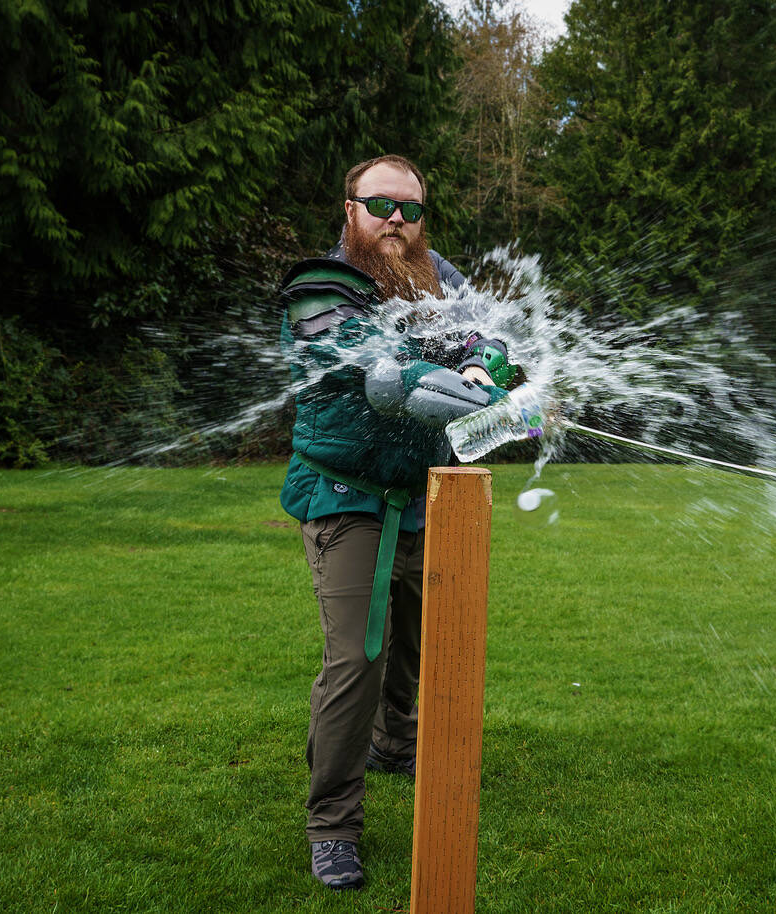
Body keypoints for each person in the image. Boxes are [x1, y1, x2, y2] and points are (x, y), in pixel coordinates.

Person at [277, 154, 515, 890]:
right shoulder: (318, 285)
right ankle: (333, 825)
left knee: (418, 641)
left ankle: (394, 741)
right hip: (346, 499)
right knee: (358, 659)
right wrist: (433, 381)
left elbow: (489, 335)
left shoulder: (438, 275)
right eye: (381, 206)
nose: (397, 223)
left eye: (410, 211)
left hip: (427, 496)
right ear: (350, 207)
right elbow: (377, 372)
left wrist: (485, 369)